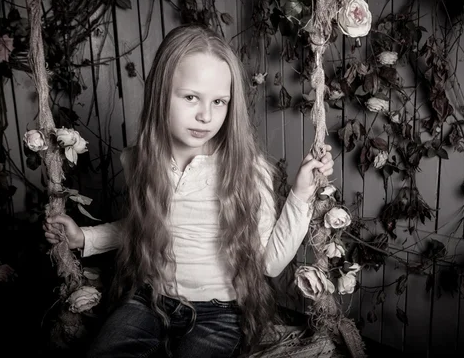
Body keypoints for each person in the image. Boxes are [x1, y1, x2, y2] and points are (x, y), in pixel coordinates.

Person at [44, 23, 334, 358]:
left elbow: (269, 264)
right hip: (148, 301)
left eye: (220, 101)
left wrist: (300, 195)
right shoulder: (140, 159)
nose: (206, 115)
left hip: (219, 313)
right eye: (191, 97)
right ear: (160, 93)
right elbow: (143, 228)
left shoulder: (245, 168)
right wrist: (84, 238)